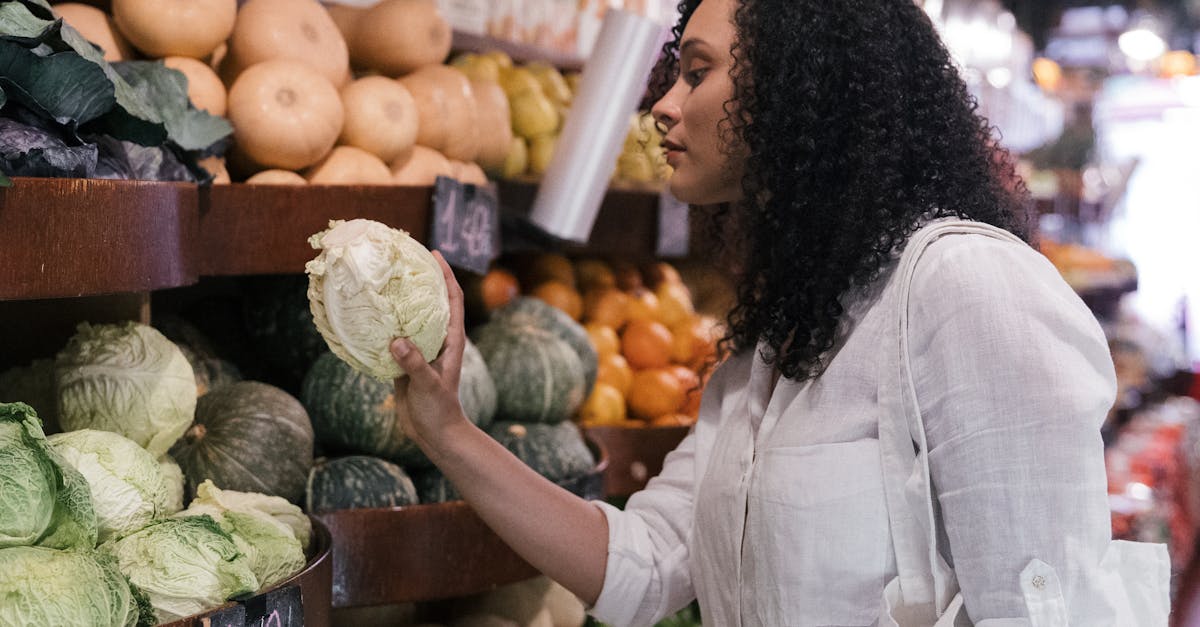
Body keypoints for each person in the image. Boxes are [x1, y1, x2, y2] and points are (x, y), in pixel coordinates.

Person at [388, 0, 1168, 624]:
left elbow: (1043, 609)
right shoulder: (777, 340)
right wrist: (447, 431)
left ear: (804, 86)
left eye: (697, 74)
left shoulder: (966, 286)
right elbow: (646, 563)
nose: (663, 106)